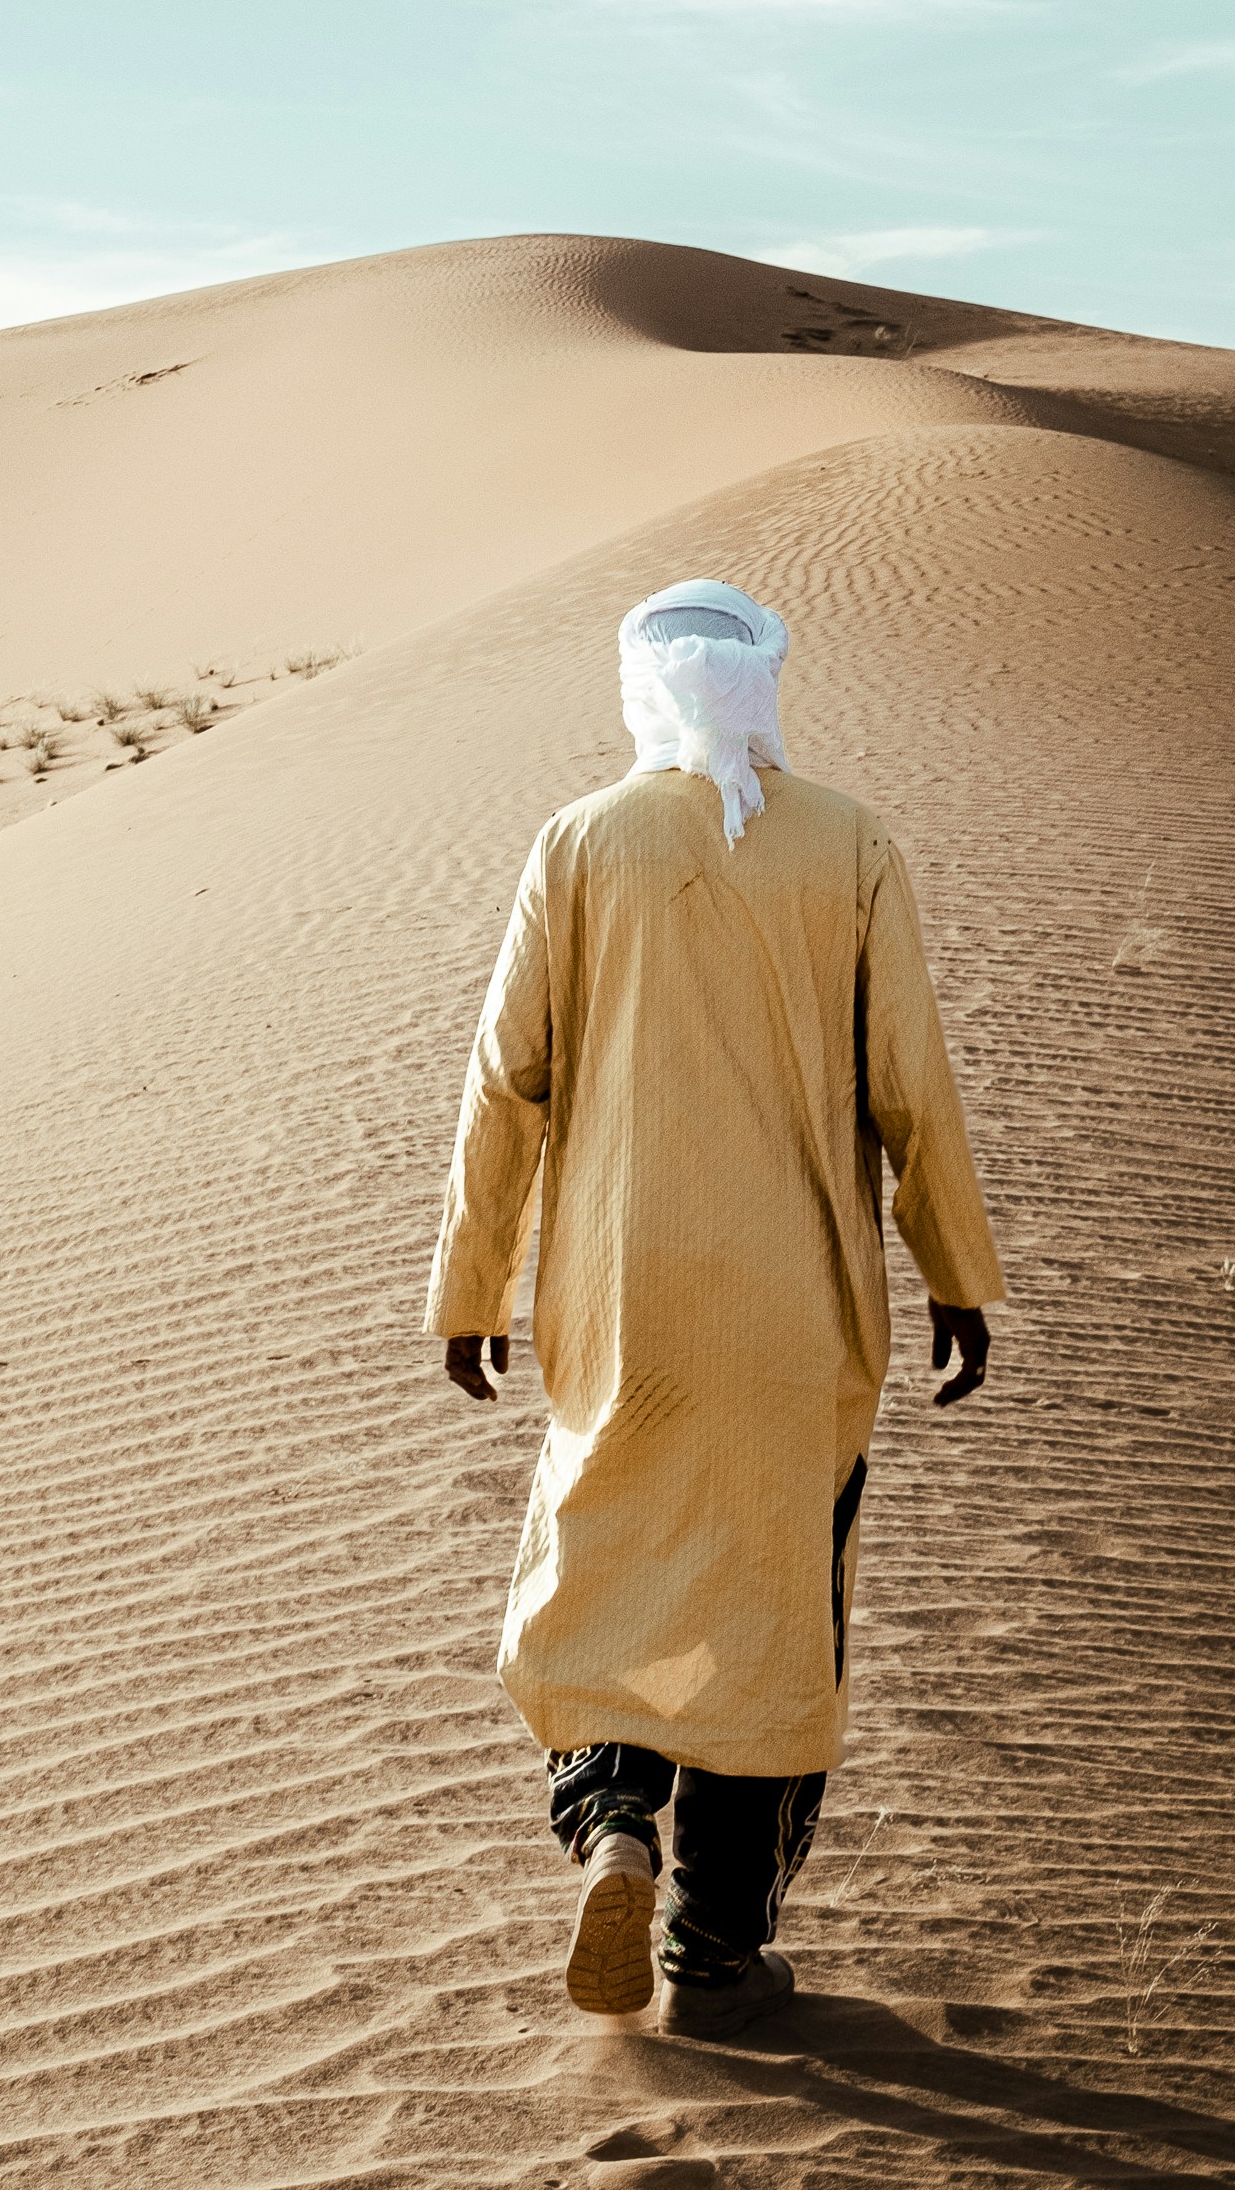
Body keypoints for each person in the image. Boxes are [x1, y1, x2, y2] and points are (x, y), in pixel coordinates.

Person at [424, 577, 1004, 2038]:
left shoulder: (579, 842)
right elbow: (909, 1085)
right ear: (766, 680)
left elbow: (509, 1079)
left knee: (605, 1562)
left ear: (639, 687)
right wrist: (957, 1273)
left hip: (621, 1301)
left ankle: (612, 1819)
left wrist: (471, 1284)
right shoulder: (849, 843)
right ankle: (713, 1949)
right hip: (795, 1311)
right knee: (770, 1611)